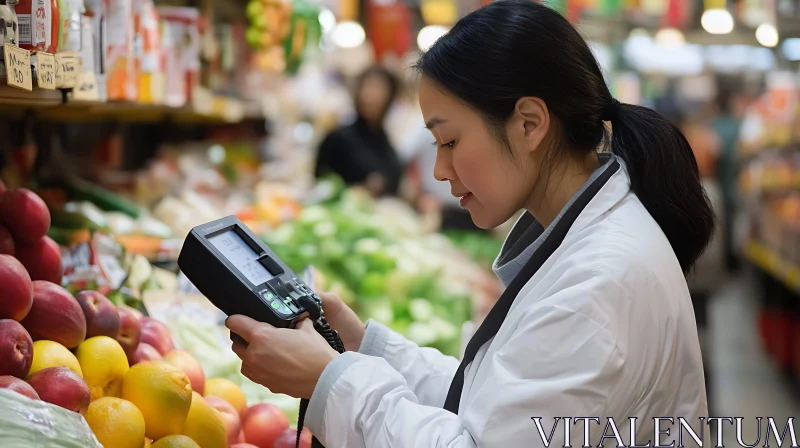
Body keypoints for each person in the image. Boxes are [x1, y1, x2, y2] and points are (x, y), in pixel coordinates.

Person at [226, 2, 715, 447]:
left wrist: (330, 380)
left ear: (529, 123)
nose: (439, 170)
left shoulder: (600, 284)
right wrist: (364, 347)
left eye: (450, 141)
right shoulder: (592, 242)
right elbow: (494, 403)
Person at [314, 66, 404, 197]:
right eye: (366, 87)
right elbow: (320, 185)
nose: (369, 95)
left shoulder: (385, 142)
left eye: (377, 88)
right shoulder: (337, 139)